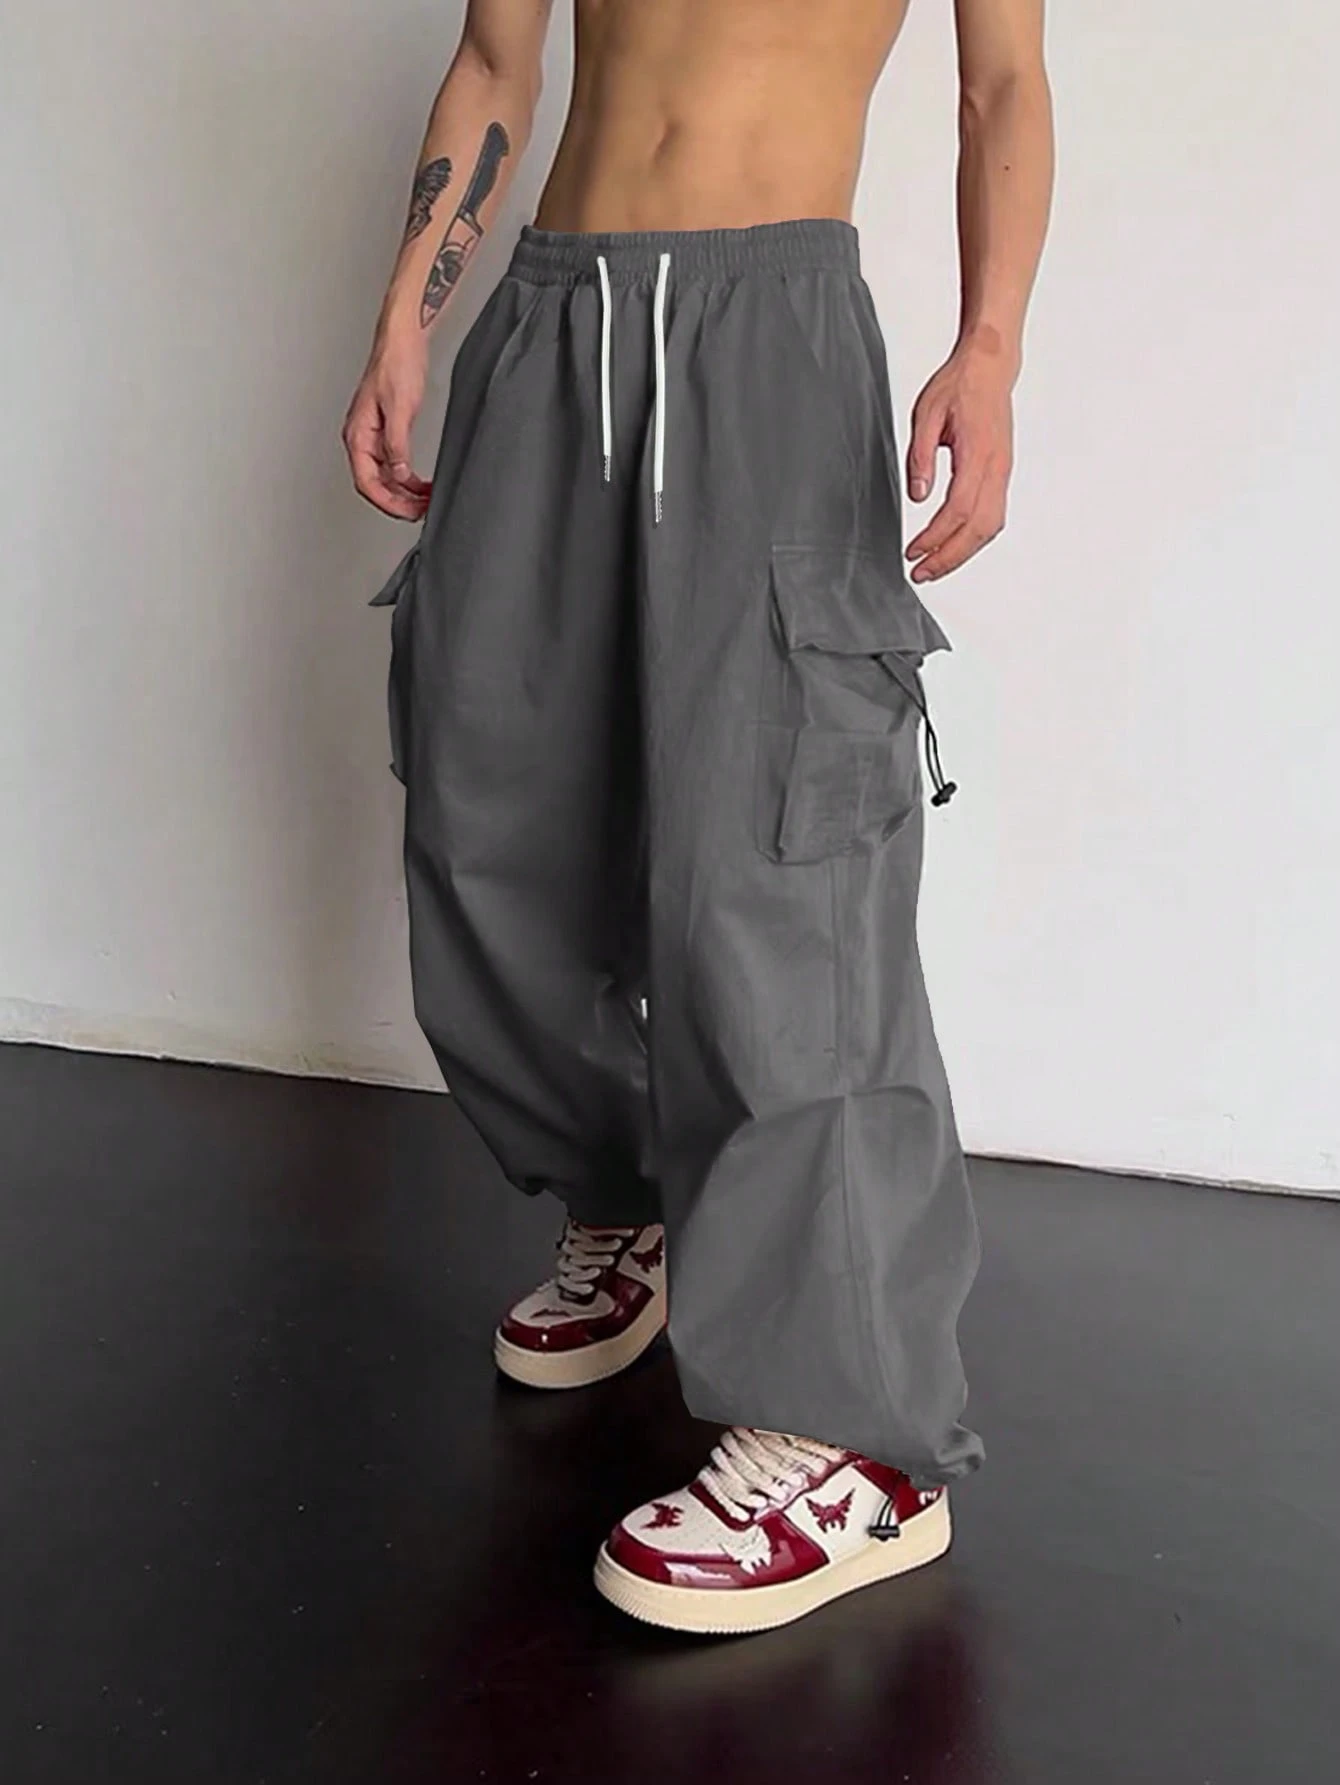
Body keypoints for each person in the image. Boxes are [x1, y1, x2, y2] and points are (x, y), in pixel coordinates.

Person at [343, 0, 1052, 1636]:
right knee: (489, 806)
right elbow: (497, 61)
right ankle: (629, 1193)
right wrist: (406, 316)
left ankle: (857, 1440)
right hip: (547, 315)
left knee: (782, 872)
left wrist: (993, 345)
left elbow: (1003, 82)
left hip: (770, 330)